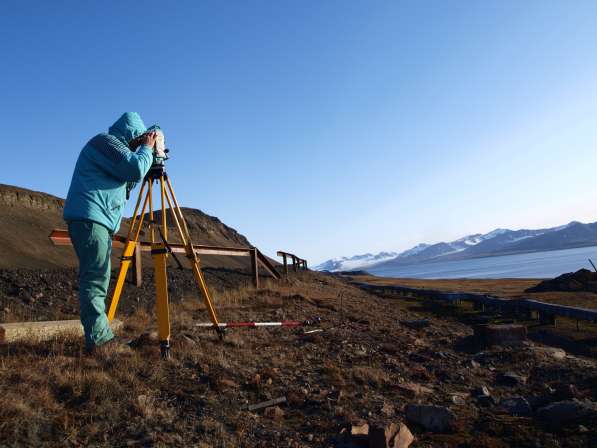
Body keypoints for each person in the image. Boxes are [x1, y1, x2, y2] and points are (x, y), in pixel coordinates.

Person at [64, 112, 157, 353]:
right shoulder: (105, 142)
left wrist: (151, 152)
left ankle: (99, 335)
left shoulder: (115, 151)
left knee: (98, 277)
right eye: (137, 139)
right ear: (131, 134)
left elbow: (130, 178)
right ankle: (99, 341)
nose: (138, 144)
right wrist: (147, 146)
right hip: (90, 217)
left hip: (94, 218)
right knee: (95, 278)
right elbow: (135, 169)